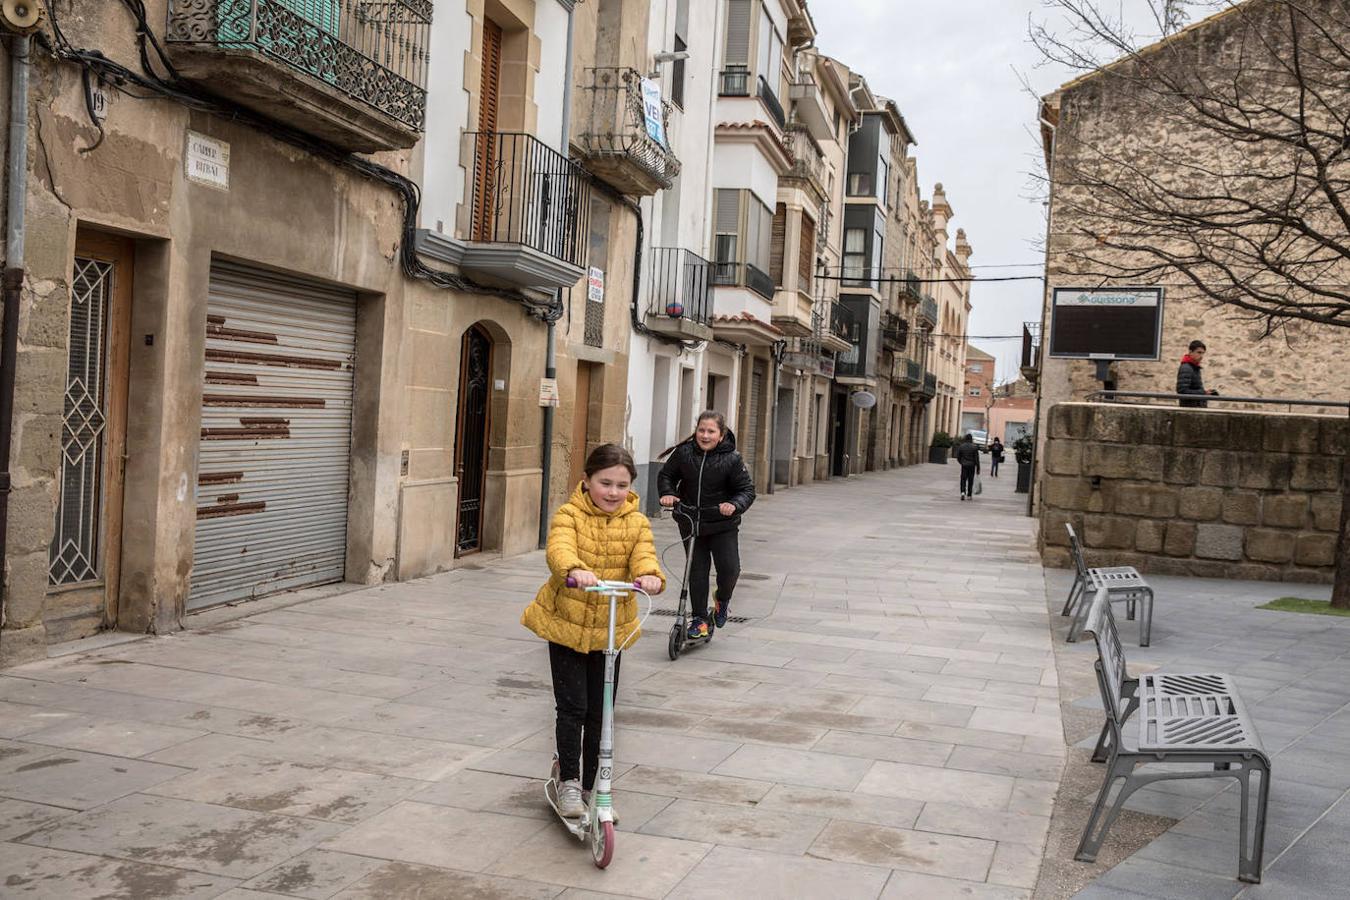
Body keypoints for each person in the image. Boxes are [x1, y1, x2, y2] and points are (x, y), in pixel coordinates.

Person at [520, 443, 664, 819]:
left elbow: (643, 554)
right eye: (605, 483)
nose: (613, 492)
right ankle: (569, 781)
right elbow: (559, 548)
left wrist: (648, 575)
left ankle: (594, 786)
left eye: (621, 485)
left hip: (610, 630)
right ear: (586, 481)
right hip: (566, 625)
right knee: (573, 708)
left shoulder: (637, 522)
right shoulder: (569, 514)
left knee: (602, 712)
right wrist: (573, 569)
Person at [657, 411, 755, 640]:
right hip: (691, 520)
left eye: (711, 431)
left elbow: (747, 490)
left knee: (730, 569)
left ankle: (722, 600)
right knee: (697, 570)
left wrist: (733, 504)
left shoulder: (732, 459)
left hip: (722, 524)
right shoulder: (684, 453)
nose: (705, 435)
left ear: (721, 435)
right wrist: (668, 494)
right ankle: (700, 619)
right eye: (701, 430)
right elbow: (666, 476)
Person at [1177, 340, 1219, 408]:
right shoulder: (1186, 368)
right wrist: (1203, 393)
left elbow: (1194, 388)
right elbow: (1182, 391)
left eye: (1203, 353)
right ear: (1190, 352)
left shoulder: (1194, 367)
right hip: (1190, 409)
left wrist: (1206, 392)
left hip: (1196, 406)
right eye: (1199, 352)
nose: (1201, 356)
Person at [954, 433, 981, 500]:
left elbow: (958, 457)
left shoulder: (962, 446)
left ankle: (963, 492)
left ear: (965, 439)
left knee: (963, 479)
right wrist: (978, 468)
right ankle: (969, 494)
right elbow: (977, 459)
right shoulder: (974, 447)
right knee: (970, 480)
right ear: (971, 439)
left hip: (964, 465)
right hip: (972, 466)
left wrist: (962, 462)